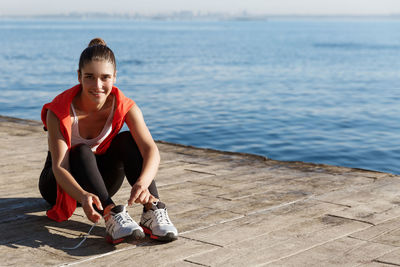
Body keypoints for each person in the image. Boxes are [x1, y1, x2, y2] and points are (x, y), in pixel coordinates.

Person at [38, 38, 178, 243]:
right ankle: (111, 213)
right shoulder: (58, 109)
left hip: (99, 184)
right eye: (89, 77)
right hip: (59, 184)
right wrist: (82, 195)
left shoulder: (125, 106)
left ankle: (151, 209)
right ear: (79, 76)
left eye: (105, 77)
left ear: (114, 77)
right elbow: (60, 167)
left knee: (128, 139)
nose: (98, 85)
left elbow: (151, 151)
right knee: (81, 150)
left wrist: (142, 183)